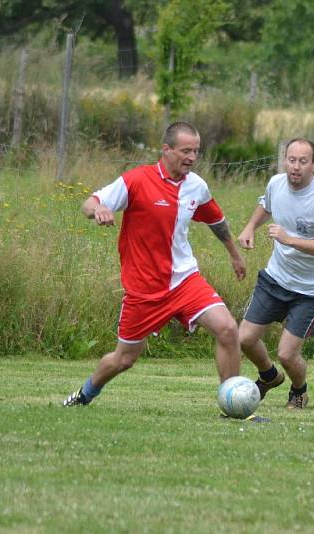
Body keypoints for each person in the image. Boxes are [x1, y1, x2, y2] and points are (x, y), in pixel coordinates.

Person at [64, 121, 246, 407]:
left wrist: (234, 254)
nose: (192, 157)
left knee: (227, 329)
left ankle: (233, 405)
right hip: (144, 289)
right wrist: (99, 208)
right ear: (166, 150)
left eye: (196, 151)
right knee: (124, 359)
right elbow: (90, 202)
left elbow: (215, 218)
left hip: (185, 280)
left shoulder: (197, 186)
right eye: (186, 151)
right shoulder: (136, 180)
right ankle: (85, 394)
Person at [237, 138, 314, 410]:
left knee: (287, 354)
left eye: (303, 161)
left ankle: (299, 391)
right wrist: (250, 227)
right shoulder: (276, 183)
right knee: (244, 339)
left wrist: (289, 240)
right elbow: (267, 205)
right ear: (284, 160)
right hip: (276, 278)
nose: (295, 167)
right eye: (291, 160)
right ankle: (269, 376)